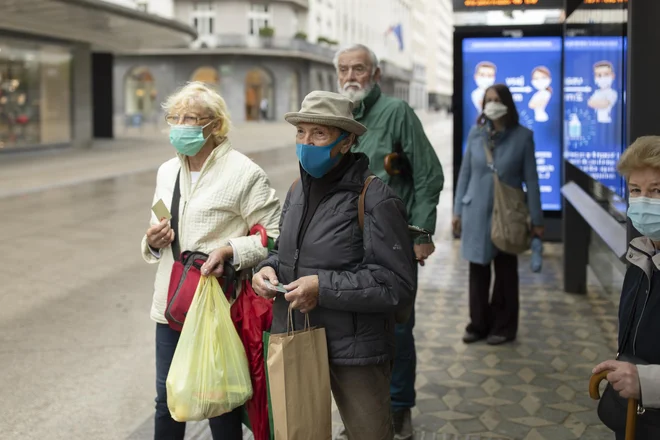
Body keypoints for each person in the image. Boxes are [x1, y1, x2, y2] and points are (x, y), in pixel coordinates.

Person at [252, 90, 416, 440]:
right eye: (301, 132)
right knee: (299, 432)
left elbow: (396, 285)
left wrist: (321, 289)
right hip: (297, 332)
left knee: (368, 434)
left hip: (355, 349)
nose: (306, 142)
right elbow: (285, 253)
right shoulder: (297, 190)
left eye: (319, 134)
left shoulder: (375, 198)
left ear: (347, 141)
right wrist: (266, 270)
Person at [141, 81, 281, 440]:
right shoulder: (166, 171)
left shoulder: (243, 172)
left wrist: (232, 251)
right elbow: (157, 220)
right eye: (175, 117)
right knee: (167, 398)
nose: (180, 125)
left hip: (220, 306)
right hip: (171, 304)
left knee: (220, 403)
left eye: (191, 118)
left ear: (215, 125)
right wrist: (152, 241)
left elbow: (275, 233)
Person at [333, 43, 444, 439]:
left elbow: (429, 175)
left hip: (394, 245)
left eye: (359, 69)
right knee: (354, 334)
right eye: (344, 69)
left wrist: (421, 233)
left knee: (397, 328)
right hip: (346, 247)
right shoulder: (337, 116)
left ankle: (398, 408)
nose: (350, 76)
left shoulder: (396, 113)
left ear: (375, 74)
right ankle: (364, 414)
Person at [453, 83, 543, 346]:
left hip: (508, 215)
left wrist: (537, 220)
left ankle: (504, 326)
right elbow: (466, 173)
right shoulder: (476, 134)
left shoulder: (523, 137)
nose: (491, 103)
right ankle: (478, 324)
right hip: (476, 212)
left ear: (507, 104)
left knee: (505, 272)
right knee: (478, 271)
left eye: (496, 99)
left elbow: (532, 181)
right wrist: (457, 210)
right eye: (487, 99)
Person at [592, 136, 660, 440]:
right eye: (636, 190)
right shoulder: (641, 258)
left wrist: (647, 381)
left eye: (657, 191)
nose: (644, 201)